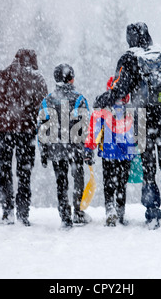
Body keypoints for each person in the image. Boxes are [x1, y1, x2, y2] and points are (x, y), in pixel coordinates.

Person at [94, 22, 161, 230]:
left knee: (149, 169)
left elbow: (119, 90)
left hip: (143, 120)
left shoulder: (129, 58)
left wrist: (103, 99)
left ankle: (152, 214)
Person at [0, 49, 48, 226]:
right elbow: (44, 113)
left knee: (4, 170)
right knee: (24, 172)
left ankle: (7, 212)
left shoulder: (1, 76)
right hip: (27, 133)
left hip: (5, 132)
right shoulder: (38, 80)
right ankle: (22, 213)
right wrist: (44, 141)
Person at [37, 63, 92, 229]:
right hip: (75, 148)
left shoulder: (47, 100)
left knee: (61, 181)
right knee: (78, 178)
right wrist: (88, 150)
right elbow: (86, 126)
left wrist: (43, 151)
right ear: (71, 79)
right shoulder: (80, 99)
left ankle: (65, 215)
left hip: (55, 148)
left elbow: (41, 128)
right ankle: (78, 211)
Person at [85, 77, 137, 227]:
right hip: (126, 152)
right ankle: (120, 211)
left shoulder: (103, 108)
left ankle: (110, 209)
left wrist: (89, 148)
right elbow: (138, 132)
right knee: (122, 183)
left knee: (109, 182)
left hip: (108, 151)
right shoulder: (132, 107)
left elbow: (94, 131)